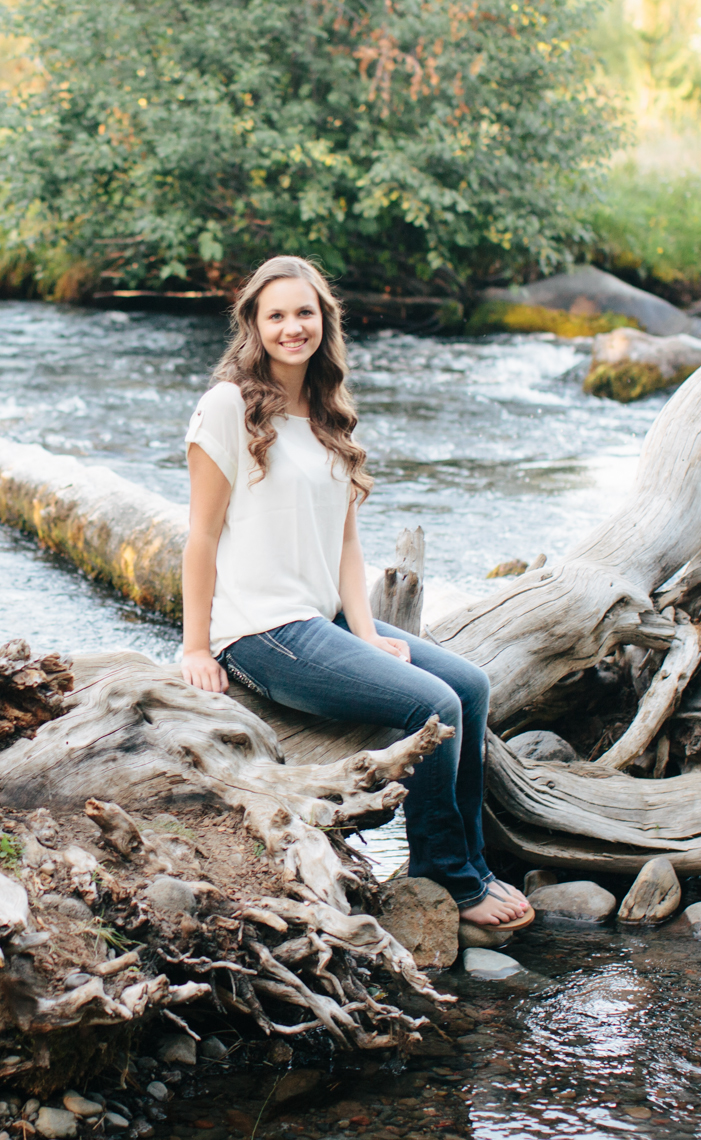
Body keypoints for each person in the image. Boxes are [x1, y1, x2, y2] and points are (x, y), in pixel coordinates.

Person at [177, 255, 534, 932]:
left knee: (472, 686)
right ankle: (449, 879)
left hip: (323, 620)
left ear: (324, 320)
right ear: (253, 322)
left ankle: (474, 863)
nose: (292, 327)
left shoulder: (328, 411)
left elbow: (346, 546)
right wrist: (197, 645)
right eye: (276, 315)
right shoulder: (227, 406)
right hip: (262, 629)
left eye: (304, 313)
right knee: (431, 704)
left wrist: (368, 634)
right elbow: (199, 535)